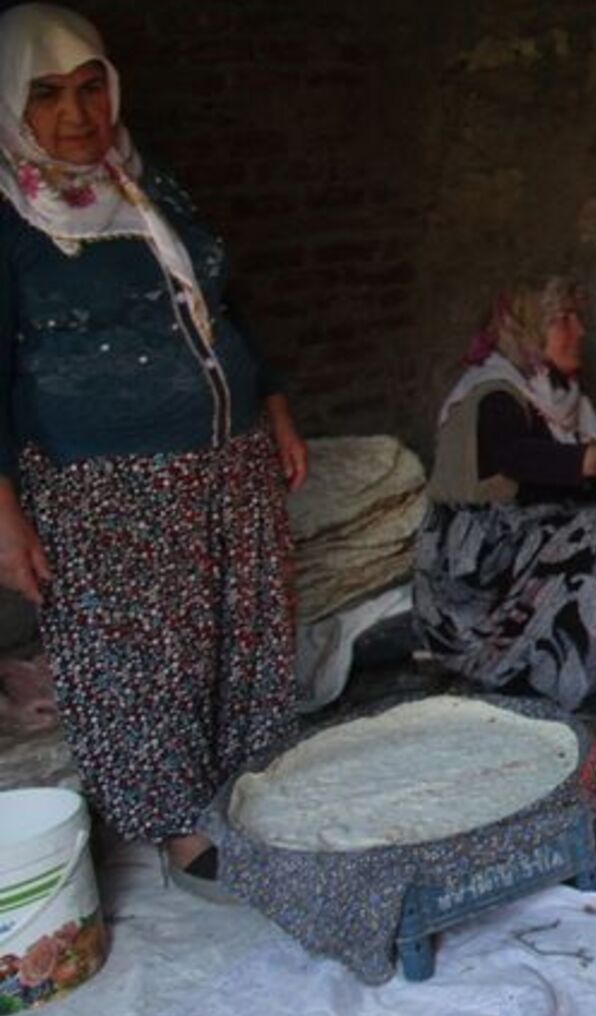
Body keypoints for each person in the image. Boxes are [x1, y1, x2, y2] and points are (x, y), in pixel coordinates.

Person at [0, 5, 307, 887]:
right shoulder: (14, 220)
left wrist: (274, 402)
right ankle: (179, 826)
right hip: (104, 481)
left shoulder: (147, 185)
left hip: (228, 455)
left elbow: (222, 305)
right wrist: (6, 515)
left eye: (91, 87)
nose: (77, 114)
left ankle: (250, 791)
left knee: (242, 633)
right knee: (143, 655)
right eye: (47, 95)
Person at [414, 277, 596, 720]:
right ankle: (565, 685)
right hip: (473, 590)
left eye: (576, 318)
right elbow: (513, 454)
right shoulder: (490, 393)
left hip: (517, 551)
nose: (579, 331)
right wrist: (590, 459)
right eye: (562, 321)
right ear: (523, 330)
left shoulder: (553, 394)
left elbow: (553, 481)